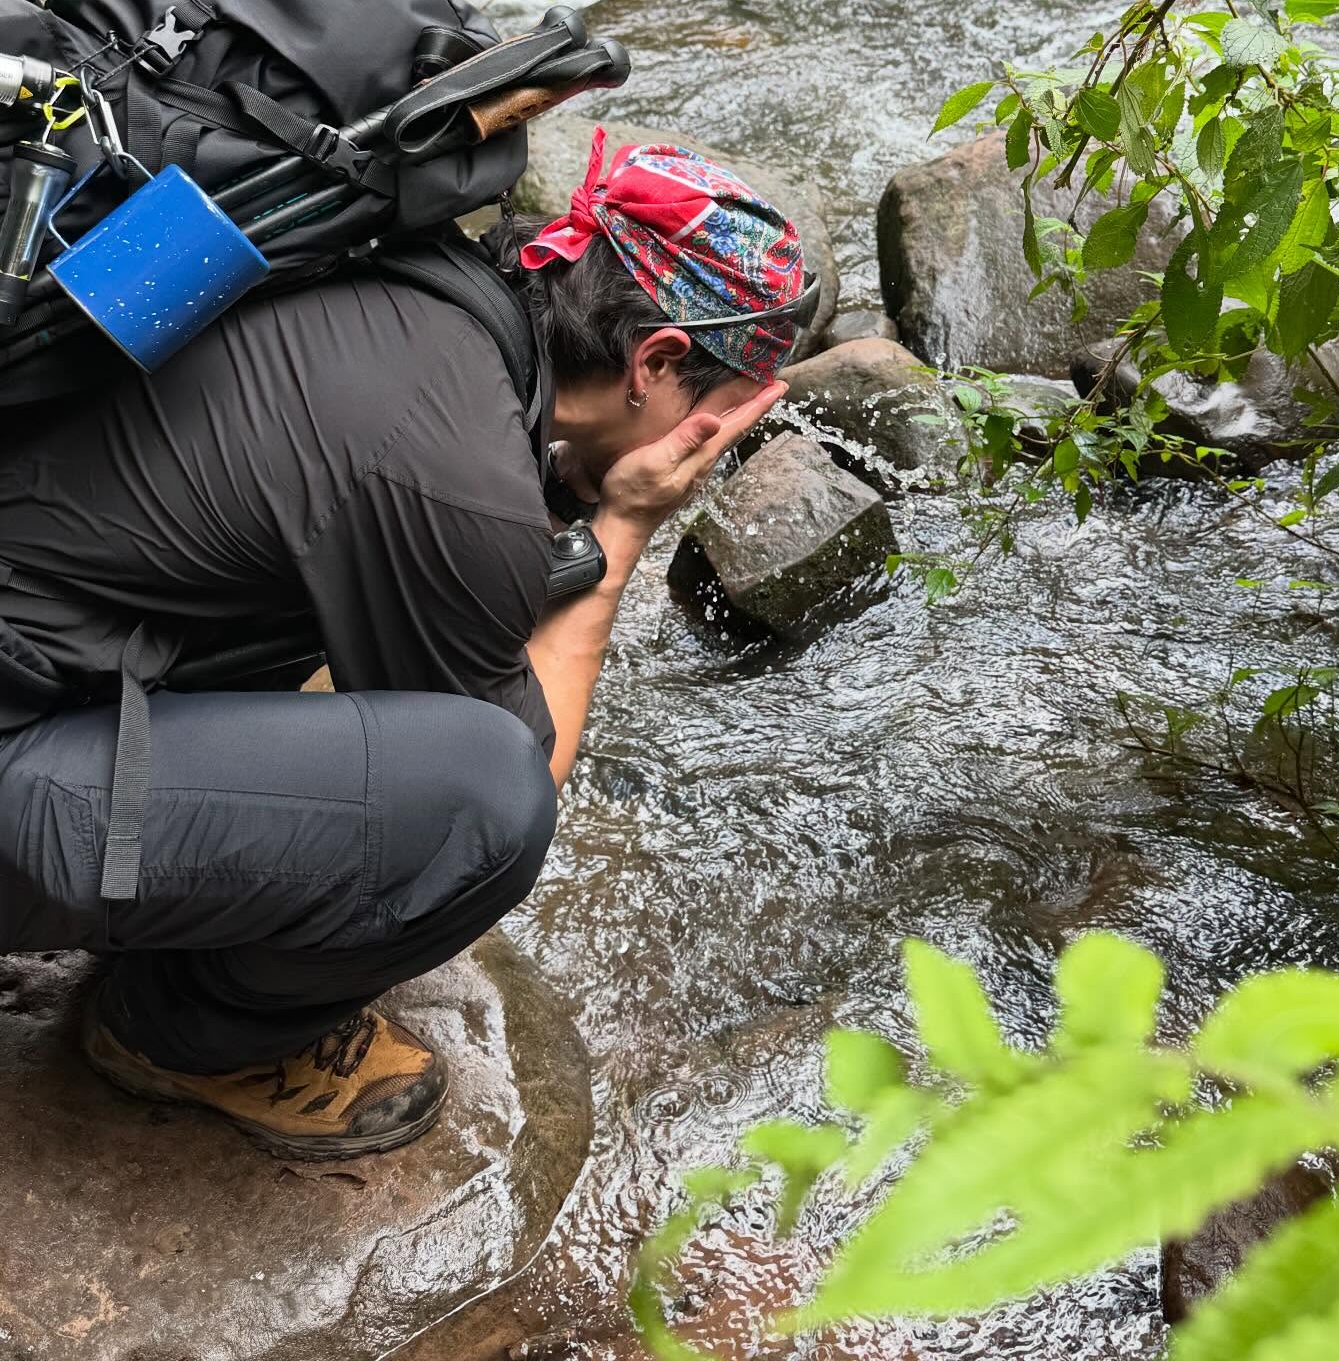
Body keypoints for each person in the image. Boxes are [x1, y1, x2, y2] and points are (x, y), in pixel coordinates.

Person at [0, 128, 810, 1160]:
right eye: (726, 417)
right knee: (481, 802)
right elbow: (523, 774)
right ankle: (179, 1037)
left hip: (47, 631)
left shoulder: (400, 268)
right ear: (654, 363)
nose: (720, 449)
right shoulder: (455, 478)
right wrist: (623, 529)